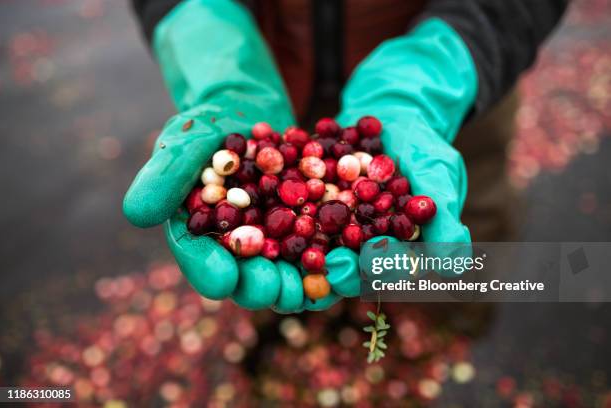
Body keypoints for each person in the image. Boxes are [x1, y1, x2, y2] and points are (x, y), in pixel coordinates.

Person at [123, 0, 568, 312]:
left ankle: (457, 319)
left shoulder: (350, 180)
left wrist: (442, 60)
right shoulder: (276, 178)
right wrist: (209, 35)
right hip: (271, 75)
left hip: (437, 98)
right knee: (275, 282)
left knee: (460, 233)